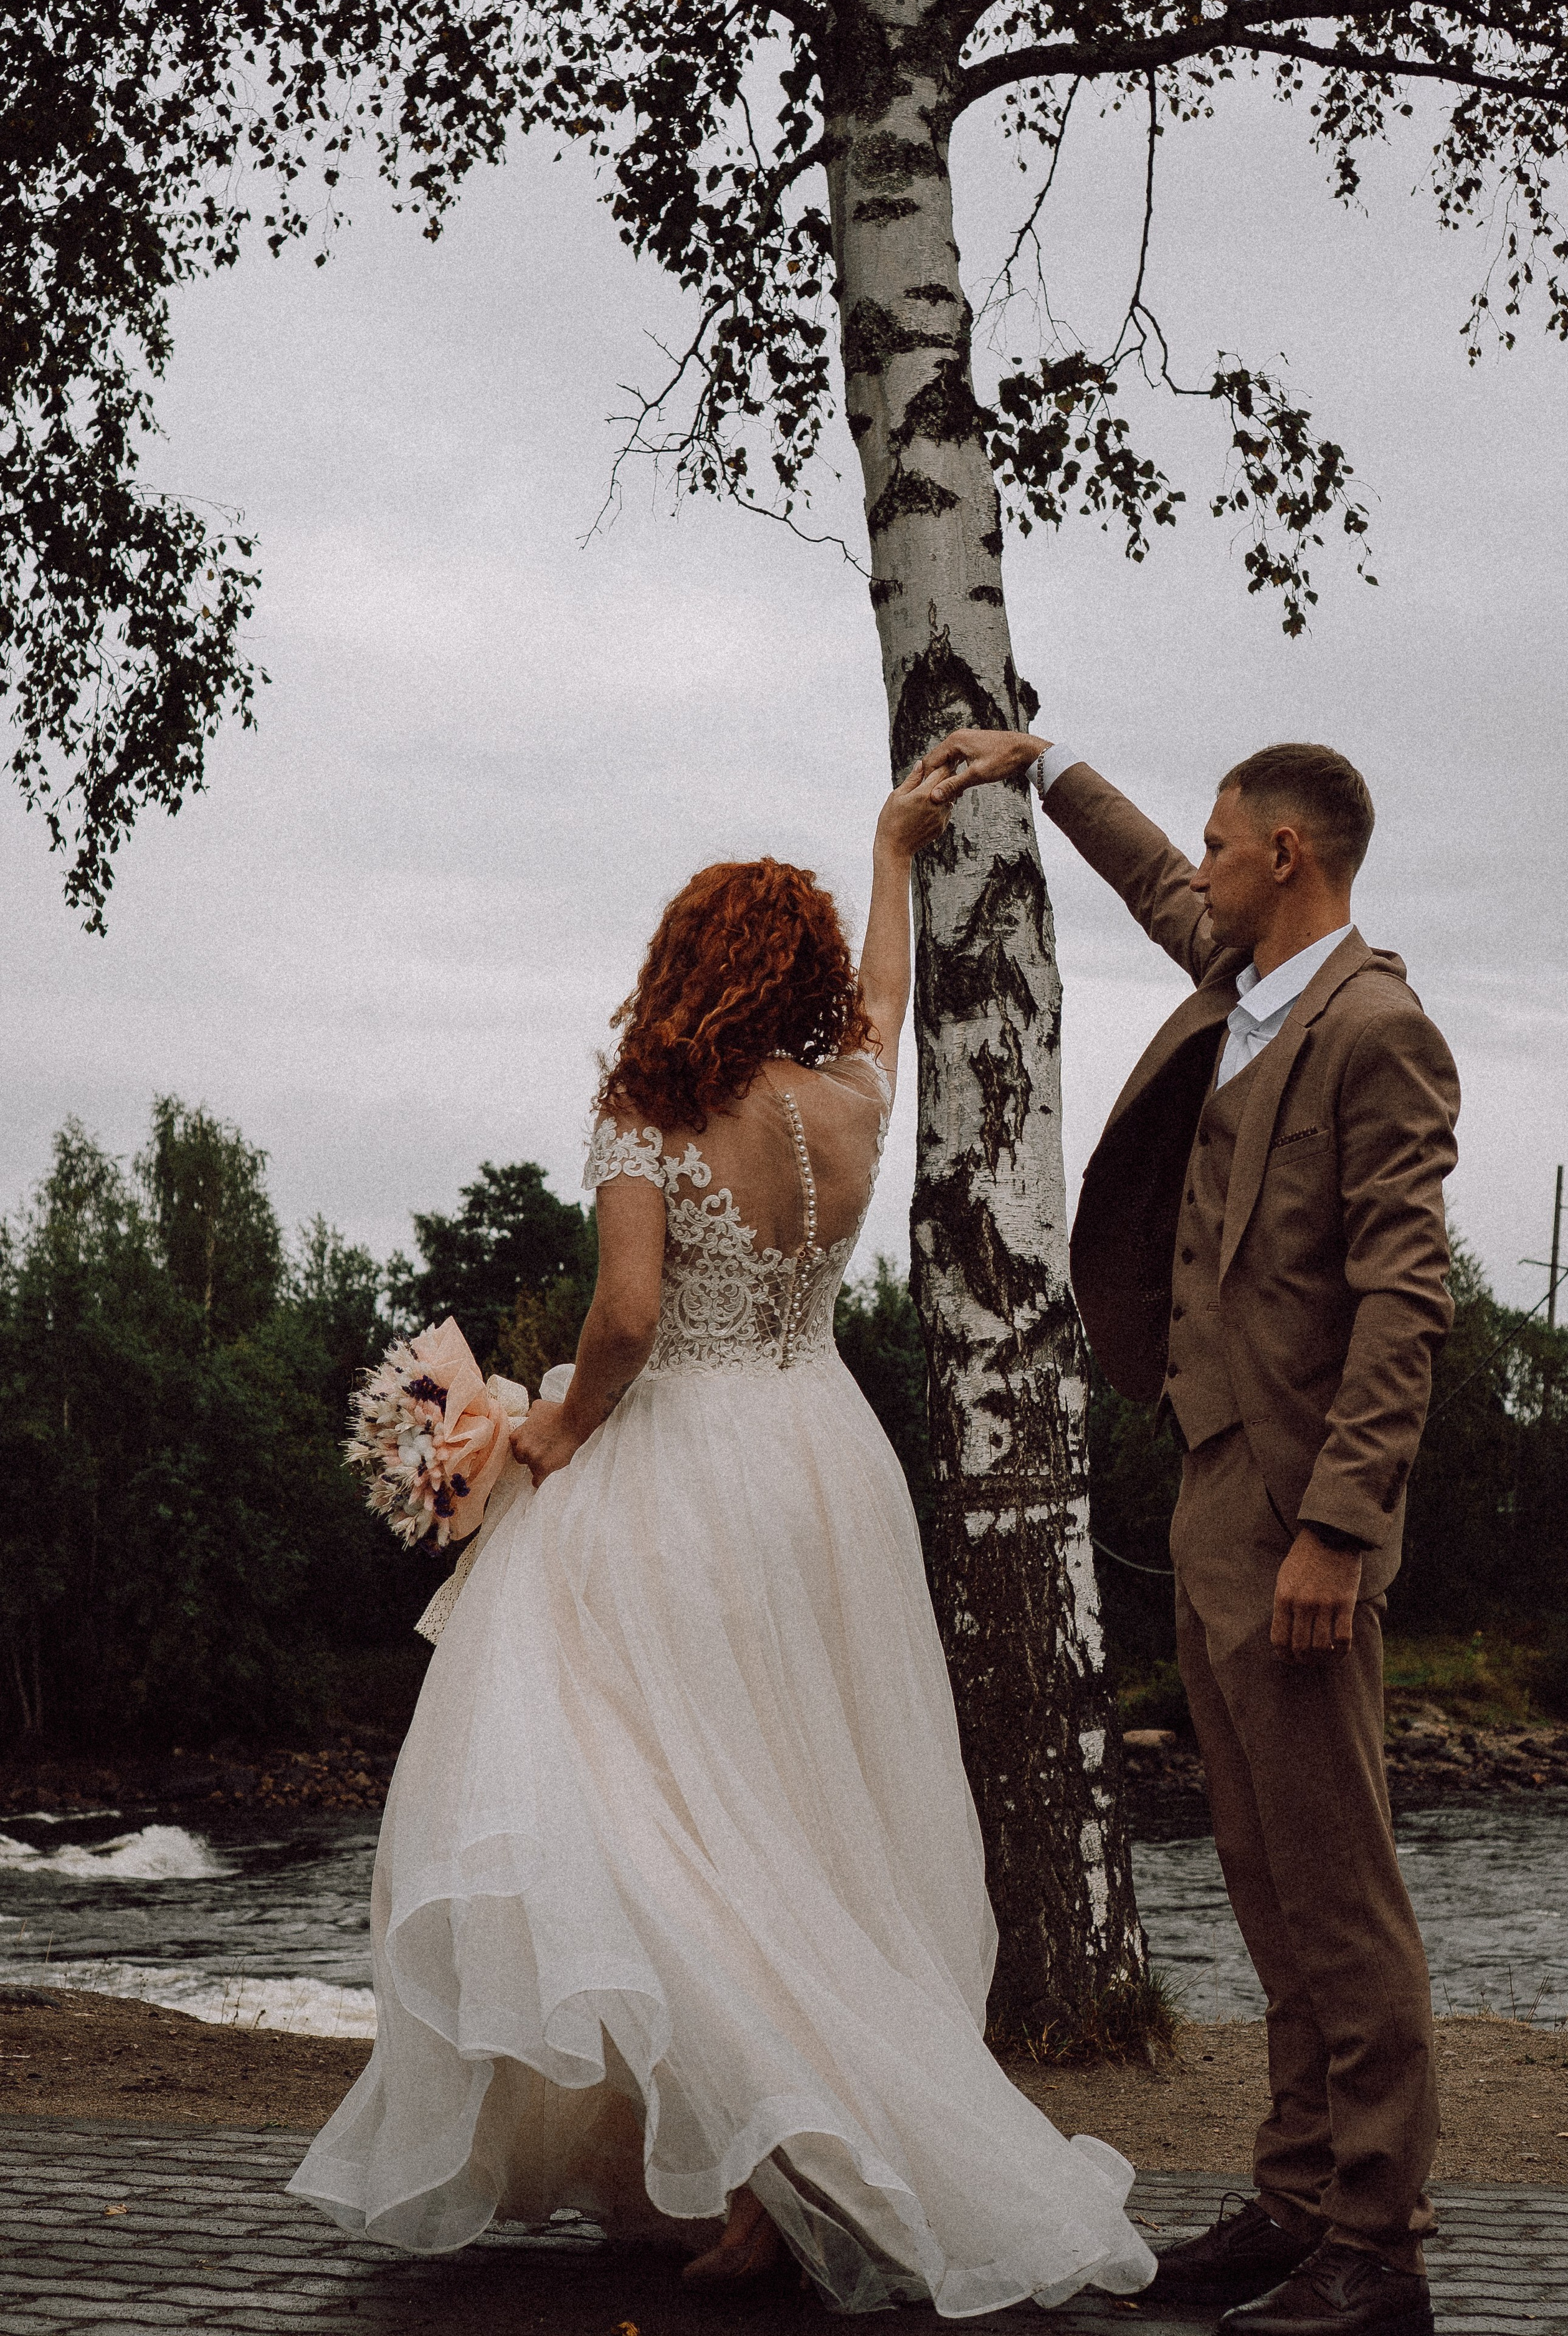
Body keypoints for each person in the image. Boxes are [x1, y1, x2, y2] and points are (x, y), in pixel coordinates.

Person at [288, 760, 1156, 2315]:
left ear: (683, 969)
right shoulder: (847, 1097)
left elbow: (625, 1316)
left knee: (652, 1812)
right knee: (800, 1816)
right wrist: (891, 852)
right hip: (823, 1462)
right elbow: (885, 1008)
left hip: (679, 1461)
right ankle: (728, 2148)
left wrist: (548, 1429)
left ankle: (764, 2166)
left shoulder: (649, 1109)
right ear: (801, 972)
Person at [921, 731, 1458, 2336]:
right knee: (1261, 1872)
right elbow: (1157, 883)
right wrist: (1046, 765)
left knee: (1340, 1886)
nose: (1204, 866)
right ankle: (1297, 2195)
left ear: (1286, 855)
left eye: (1227, 843)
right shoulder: (1245, 985)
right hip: (1210, 1485)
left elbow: (1401, 1303)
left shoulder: (1378, 1032)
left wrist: (1338, 1532)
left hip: (1299, 1514)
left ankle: (1378, 2244)